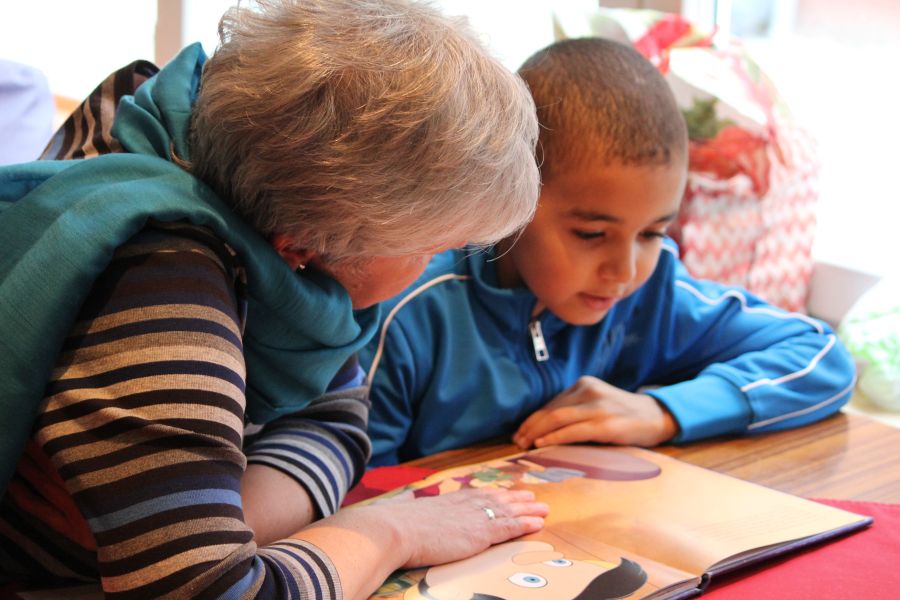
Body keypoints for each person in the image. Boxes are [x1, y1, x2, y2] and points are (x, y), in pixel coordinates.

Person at [0, 1, 549, 598]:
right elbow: (214, 593)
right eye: (431, 248)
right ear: (301, 248)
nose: (433, 267)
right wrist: (391, 531)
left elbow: (335, 413)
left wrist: (216, 517)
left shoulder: (211, 153)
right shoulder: (158, 277)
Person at [361, 37, 857, 467]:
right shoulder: (407, 311)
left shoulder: (653, 292)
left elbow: (821, 357)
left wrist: (662, 412)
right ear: (507, 197)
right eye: (592, 234)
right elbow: (353, 491)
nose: (623, 271)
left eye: (651, 234)